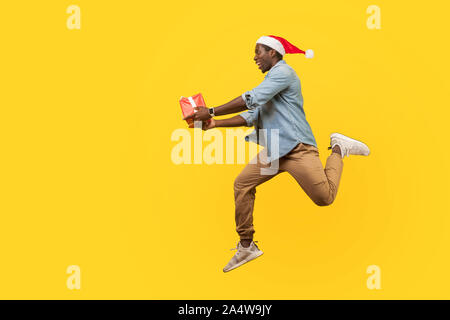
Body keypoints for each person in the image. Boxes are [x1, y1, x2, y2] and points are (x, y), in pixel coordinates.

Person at [183, 35, 370, 272]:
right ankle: (247, 245)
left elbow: (250, 99)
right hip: (274, 150)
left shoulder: (284, 73)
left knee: (325, 198)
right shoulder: (270, 84)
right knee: (242, 184)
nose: (254, 57)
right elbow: (251, 115)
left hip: (297, 148)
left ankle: (338, 148)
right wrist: (214, 124)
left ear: (273, 52)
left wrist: (210, 110)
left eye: (258, 52)